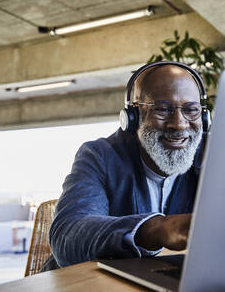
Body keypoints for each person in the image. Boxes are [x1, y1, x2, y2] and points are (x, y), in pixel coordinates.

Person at [44, 61, 209, 269]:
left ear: (204, 116)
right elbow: (68, 236)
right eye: (162, 109)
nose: (179, 124)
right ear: (132, 117)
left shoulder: (210, 154)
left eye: (191, 110)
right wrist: (157, 229)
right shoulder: (99, 155)